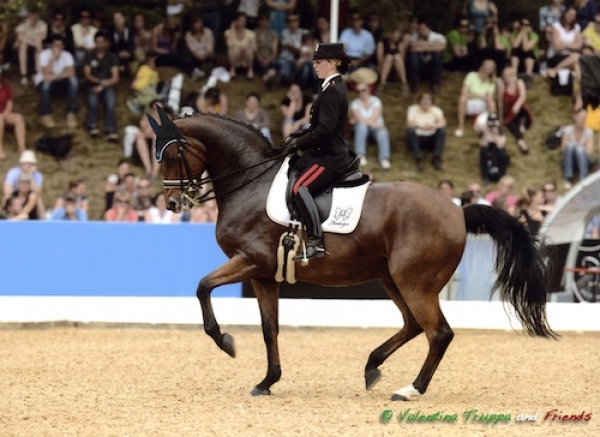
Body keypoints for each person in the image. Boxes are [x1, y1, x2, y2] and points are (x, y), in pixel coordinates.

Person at [280, 43, 354, 260]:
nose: (314, 65)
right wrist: (298, 135)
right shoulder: (330, 87)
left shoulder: (332, 90)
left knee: (300, 187)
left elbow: (325, 130)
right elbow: (319, 126)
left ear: (333, 63)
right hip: (321, 152)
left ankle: (315, 242)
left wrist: (299, 143)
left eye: (319, 61)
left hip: (330, 156)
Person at [83, 30, 120, 141]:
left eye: (102, 42)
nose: (100, 44)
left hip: (107, 85)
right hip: (93, 85)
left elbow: (115, 77)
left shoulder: (112, 56)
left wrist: (103, 85)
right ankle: (92, 125)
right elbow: (87, 75)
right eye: (97, 42)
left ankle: (110, 129)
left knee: (110, 104)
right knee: (92, 103)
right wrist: (99, 83)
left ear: (106, 43)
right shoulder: (89, 55)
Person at [35, 35, 78, 129]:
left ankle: (71, 113)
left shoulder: (67, 55)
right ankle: (46, 114)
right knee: (46, 83)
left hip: (59, 80)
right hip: (44, 82)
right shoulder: (44, 54)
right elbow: (45, 73)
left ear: (63, 46)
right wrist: (53, 58)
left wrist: (56, 76)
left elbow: (71, 72)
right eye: (55, 45)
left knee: (74, 81)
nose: (58, 47)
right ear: (51, 46)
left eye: (60, 45)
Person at [350, 84, 391, 170]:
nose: (361, 93)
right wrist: (374, 124)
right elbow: (359, 118)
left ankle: (384, 158)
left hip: (375, 127)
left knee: (382, 132)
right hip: (369, 126)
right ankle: (361, 155)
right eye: (358, 91)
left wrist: (364, 121)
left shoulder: (376, 101)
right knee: (362, 126)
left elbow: (375, 116)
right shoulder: (355, 103)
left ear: (368, 90)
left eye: (363, 90)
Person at [455, 58, 497, 137]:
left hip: (481, 105)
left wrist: (474, 95)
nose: (488, 68)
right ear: (482, 66)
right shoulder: (471, 75)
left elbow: (489, 98)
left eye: (491, 67)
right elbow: (464, 92)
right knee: (462, 98)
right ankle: (461, 126)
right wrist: (481, 96)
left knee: (492, 103)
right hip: (469, 103)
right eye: (487, 65)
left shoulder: (491, 82)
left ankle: (492, 128)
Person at [406, 92, 447, 171]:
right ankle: (418, 158)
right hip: (418, 137)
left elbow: (443, 122)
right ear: (419, 101)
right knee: (410, 131)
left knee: (442, 131)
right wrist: (420, 126)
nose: (425, 102)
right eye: (423, 99)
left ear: (431, 102)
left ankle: (436, 158)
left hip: (431, 137)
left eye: (428, 100)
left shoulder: (436, 110)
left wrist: (432, 126)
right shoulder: (412, 109)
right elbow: (409, 123)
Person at [498, 66, 533, 154]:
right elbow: (500, 103)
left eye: (511, 75)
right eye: (507, 76)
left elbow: (522, 96)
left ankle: (522, 124)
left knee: (521, 109)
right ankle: (520, 141)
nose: (510, 77)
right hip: (510, 113)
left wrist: (517, 105)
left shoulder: (519, 82)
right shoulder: (502, 87)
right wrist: (500, 117)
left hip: (521, 110)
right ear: (504, 78)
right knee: (511, 124)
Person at [408, 20, 447, 94]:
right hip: (420, 62)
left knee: (438, 54)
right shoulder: (414, 37)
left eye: (423, 29)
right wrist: (432, 45)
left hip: (432, 61)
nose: (421, 32)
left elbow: (441, 47)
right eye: (419, 30)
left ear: (428, 28)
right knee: (413, 55)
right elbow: (413, 47)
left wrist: (422, 46)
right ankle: (415, 83)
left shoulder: (438, 37)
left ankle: (434, 83)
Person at [562, 107, 594, 189]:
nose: (583, 120)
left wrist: (580, 150)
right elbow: (564, 149)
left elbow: (589, 152)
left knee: (580, 150)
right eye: (581, 117)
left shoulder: (589, 132)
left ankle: (583, 179)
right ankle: (568, 177)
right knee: (570, 146)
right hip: (570, 160)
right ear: (575, 117)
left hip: (584, 159)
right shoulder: (567, 130)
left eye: (584, 118)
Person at [14, 9, 47, 86]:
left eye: (36, 16)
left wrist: (35, 42)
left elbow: (43, 36)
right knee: (23, 45)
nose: (34, 18)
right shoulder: (24, 23)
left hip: (36, 43)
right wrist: (32, 43)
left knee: (38, 41)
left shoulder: (42, 24)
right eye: (32, 16)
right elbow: (19, 36)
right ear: (29, 16)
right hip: (29, 43)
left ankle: (37, 72)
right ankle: (24, 75)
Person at [0, 68, 26, 160]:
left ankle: (22, 148)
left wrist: (5, 114)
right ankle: (0, 148)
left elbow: (9, 104)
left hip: (3, 113)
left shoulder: (6, 87)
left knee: (19, 118)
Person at [479, 111, 509, 183]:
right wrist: (487, 133)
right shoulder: (484, 131)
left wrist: (495, 133)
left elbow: (500, 145)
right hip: (487, 150)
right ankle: (485, 176)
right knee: (483, 152)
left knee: (502, 153)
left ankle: (503, 175)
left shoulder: (501, 131)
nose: (492, 125)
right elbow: (483, 144)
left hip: (497, 151)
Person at [224, 12, 256, 80]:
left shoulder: (251, 33)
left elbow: (254, 47)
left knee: (249, 51)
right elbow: (229, 44)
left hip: (246, 56)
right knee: (234, 50)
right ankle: (232, 69)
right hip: (235, 55)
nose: (242, 23)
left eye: (244, 21)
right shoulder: (228, 32)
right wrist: (232, 28)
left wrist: (247, 47)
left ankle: (250, 70)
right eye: (240, 20)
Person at [510, 18, 539, 85]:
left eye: (527, 25)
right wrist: (521, 34)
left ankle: (528, 76)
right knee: (515, 51)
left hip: (531, 62)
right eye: (523, 25)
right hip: (518, 61)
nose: (525, 27)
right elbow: (514, 45)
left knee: (529, 52)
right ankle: (513, 74)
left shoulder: (534, 35)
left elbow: (526, 48)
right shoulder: (513, 35)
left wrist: (524, 35)